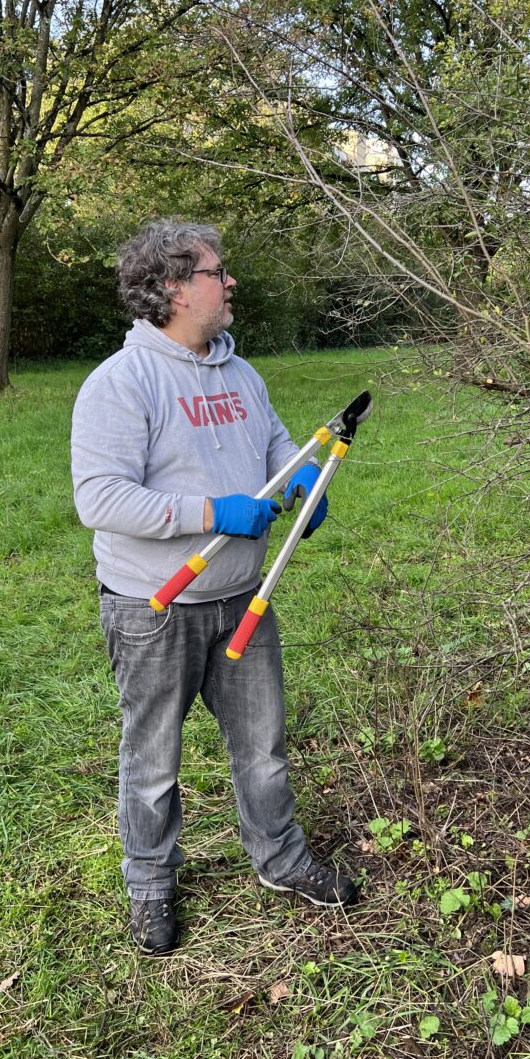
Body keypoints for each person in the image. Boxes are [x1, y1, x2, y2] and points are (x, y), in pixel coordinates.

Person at [71, 220, 358, 956]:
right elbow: (99, 498)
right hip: (153, 607)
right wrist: (210, 512)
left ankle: (281, 858)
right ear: (171, 288)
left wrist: (303, 478)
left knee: (263, 747)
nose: (228, 283)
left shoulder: (242, 373)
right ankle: (150, 885)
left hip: (243, 598)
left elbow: (274, 447)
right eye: (214, 272)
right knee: (152, 761)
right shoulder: (120, 382)